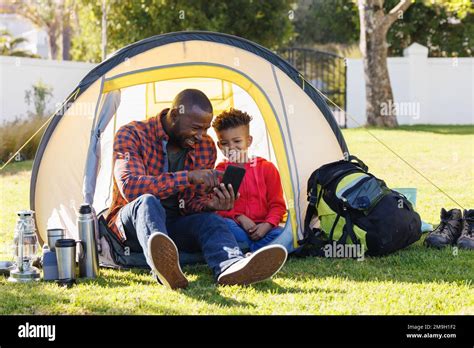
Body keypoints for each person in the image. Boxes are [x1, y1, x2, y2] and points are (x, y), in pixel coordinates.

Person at [105, 89, 287, 289]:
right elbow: (131, 187)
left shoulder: (205, 146)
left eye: (206, 129)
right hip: (133, 224)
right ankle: (165, 267)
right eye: (196, 128)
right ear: (174, 115)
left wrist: (211, 204)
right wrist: (188, 177)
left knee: (212, 220)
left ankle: (231, 266)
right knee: (148, 202)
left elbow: (191, 204)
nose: (202, 136)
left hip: (176, 225)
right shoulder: (132, 134)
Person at [212, 108, 287, 252]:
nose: (231, 147)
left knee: (282, 233)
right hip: (237, 227)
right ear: (219, 145)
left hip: (265, 228)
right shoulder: (220, 171)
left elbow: (277, 205)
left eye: (237, 141)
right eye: (225, 143)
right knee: (222, 225)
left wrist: (267, 225)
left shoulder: (267, 168)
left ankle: (245, 250)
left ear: (249, 140)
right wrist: (239, 217)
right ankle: (257, 250)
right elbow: (218, 208)